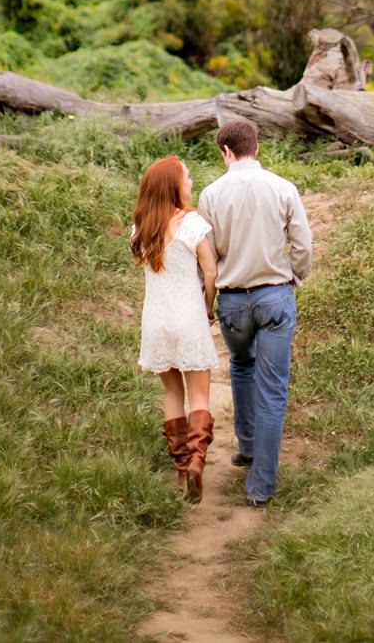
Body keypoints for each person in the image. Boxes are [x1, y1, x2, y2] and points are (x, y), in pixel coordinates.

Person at [198, 119, 312, 507]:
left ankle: (246, 446)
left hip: (232, 300)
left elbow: (208, 257)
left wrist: (208, 300)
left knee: (241, 366)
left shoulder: (211, 194)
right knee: (273, 388)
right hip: (274, 296)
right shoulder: (282, 187)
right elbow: (302, 243)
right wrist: (295, 275)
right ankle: (260, 486)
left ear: (225, 152)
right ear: (256, 148)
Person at [131, 155, 219, 503]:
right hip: (188, 318)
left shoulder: (140, 228)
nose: (191, 183)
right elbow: (210, 272)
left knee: (172, 396)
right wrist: (208, 307)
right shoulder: (191, 224)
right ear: (173, 185)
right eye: (186, 178)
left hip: (156, 322)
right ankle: (198, 462)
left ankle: (182, 471)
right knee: (199, 396)